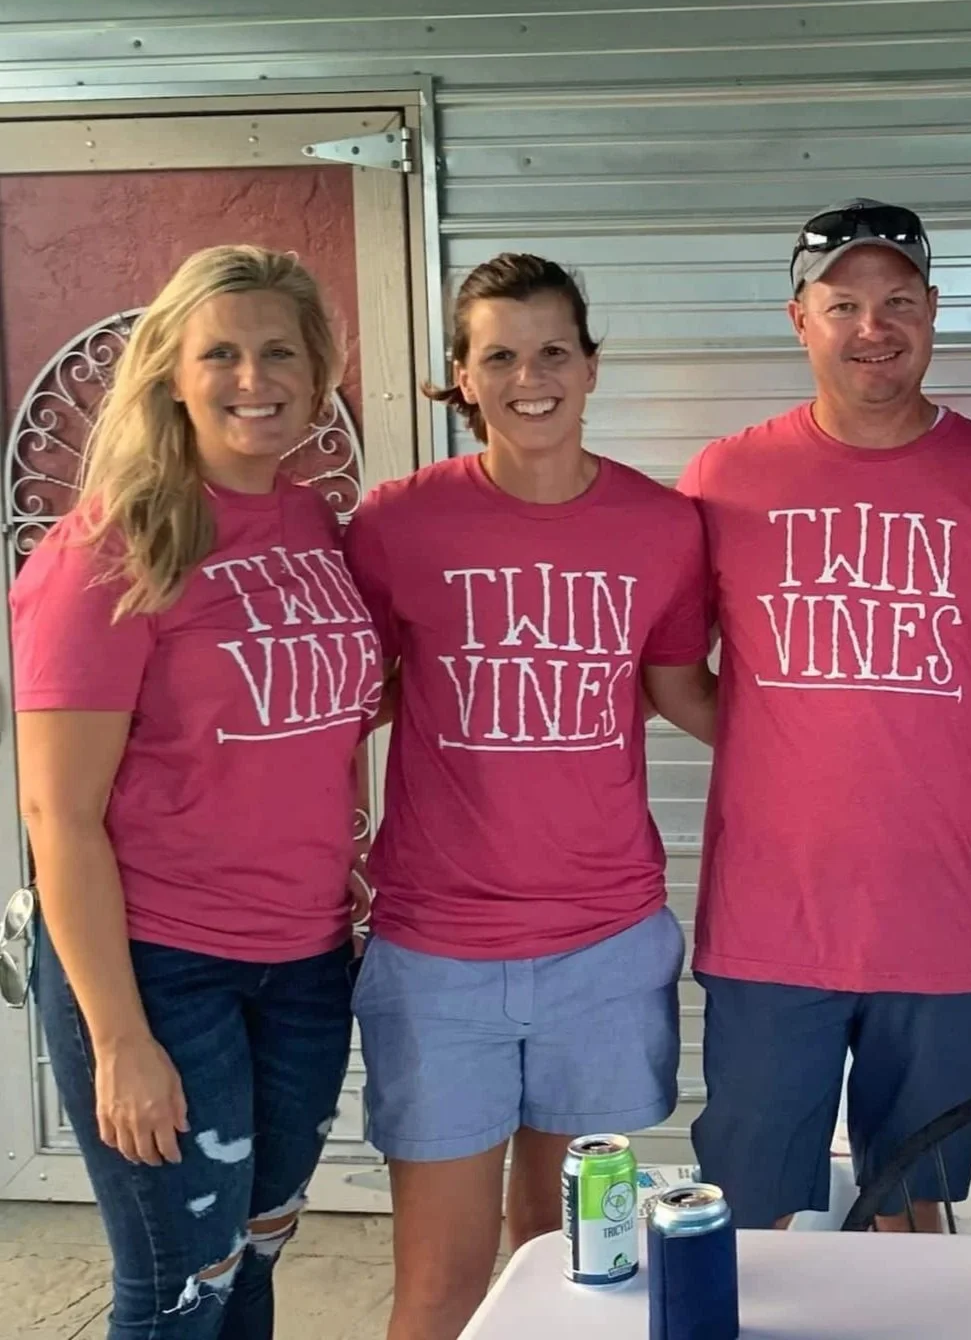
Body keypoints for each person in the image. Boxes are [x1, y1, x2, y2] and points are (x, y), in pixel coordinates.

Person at [679, 200, 971, 1231]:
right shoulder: (726, 479)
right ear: (798, 319)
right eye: (845, 303)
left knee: (914, 1213)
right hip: (772, 927)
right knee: (751, 1221)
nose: (875, 325)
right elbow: (670, 670)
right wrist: (779, 735)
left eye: (898, 300)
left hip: (939, 928)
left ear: (933, 311)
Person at [343, 254, 715, 1340]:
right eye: (498, 355)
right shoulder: (395, 523)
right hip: (437, 955)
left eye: (553, 350)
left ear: (591, 366)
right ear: (462, 378)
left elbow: (676, 687)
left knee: (571, 1272)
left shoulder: (663, 526)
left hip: (604, 948)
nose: (529, 376)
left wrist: (843, 762)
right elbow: (344, 699)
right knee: (444, 1288)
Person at [13, 245, 378, 1337]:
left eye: (279, 351)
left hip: (308, 959)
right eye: (219, 352)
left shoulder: (311, 524)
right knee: (180, 1285)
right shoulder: (109, 550)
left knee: (253, 1261)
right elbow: (57, 814)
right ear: (171, 370)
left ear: (317, 375)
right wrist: (119, 1036)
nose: (251, 377)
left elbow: (309, 701)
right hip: (161, 968)